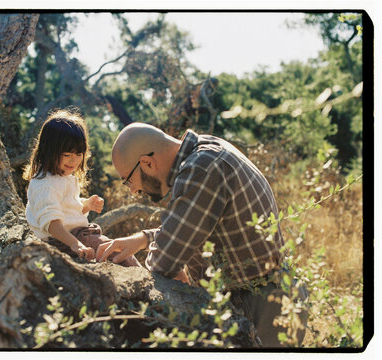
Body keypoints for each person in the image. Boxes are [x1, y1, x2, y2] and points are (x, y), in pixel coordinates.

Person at [95, 122, 307, 347]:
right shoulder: (205, 149)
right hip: (263, 296)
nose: (133, 191)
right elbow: (194, 226)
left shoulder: (202, 168)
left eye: (128, 181)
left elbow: (163, 262)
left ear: (147, 162)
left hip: (262, 306)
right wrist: (143, 239)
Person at [23, 108, 140, 267]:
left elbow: (66, 210)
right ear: (49, 150)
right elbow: (52, 223)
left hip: (75, 236)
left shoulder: (64, 177)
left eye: (79, 154)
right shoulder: (45, 183)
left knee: (118, 252)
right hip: (65, 239)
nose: (74, 160)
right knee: (120, 254)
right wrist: (76, 244)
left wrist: (86, 205)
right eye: (67, 155)